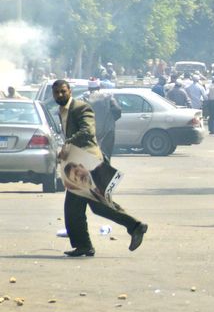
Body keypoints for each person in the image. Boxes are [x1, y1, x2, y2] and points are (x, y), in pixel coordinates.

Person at [53, 80, 147, 257]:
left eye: (62, 91)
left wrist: (68, 144)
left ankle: (133, 227)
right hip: (77, 162)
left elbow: (88, 131)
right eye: (56, 92)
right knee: (92, 206)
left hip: (87, 162)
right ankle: (130, 228)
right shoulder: (61, 111)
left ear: (69, 91)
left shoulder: (81, 108)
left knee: (79, 206)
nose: (59, 95)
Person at [81, 79, 121, 161]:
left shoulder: (83, 98)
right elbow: (117, 110)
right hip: (107, 132)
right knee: (106, 155)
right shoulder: (108, 97)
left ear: (89, 88)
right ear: (99, 87)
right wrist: (110, 121)